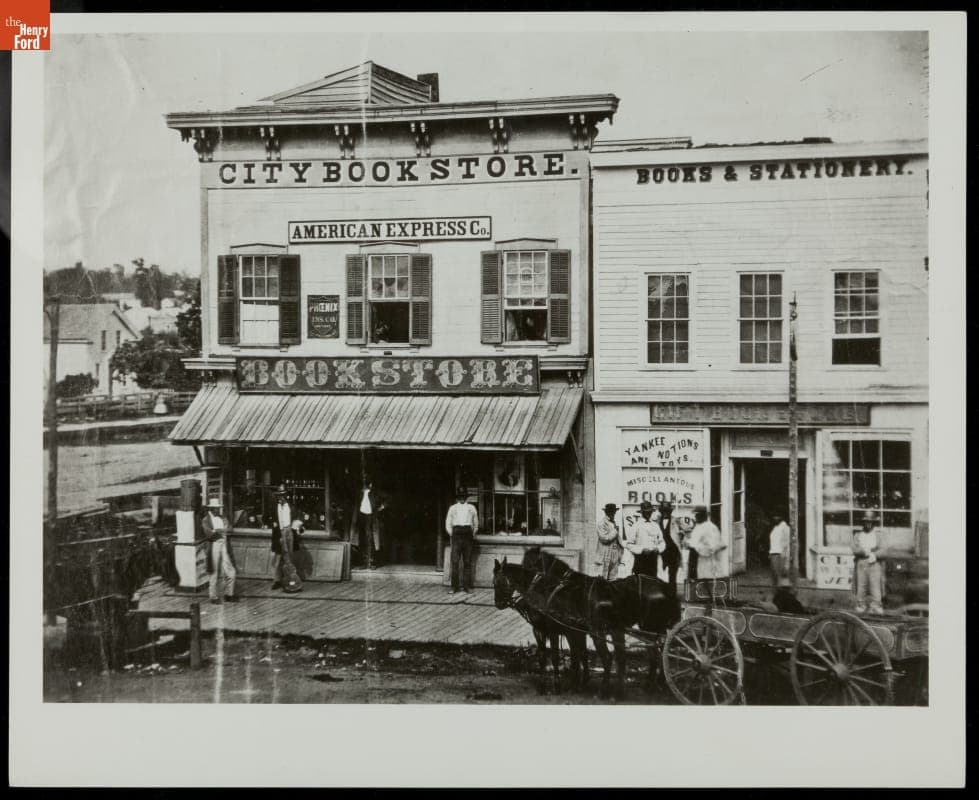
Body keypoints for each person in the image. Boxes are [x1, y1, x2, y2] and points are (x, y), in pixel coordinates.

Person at [202, 497, 238, 604]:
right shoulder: (206, 520)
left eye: (218, 508)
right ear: (211, 509)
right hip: (213, 545)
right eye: (215, 508)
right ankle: (213, 596)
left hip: (224, 544)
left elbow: (230, 529)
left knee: (231, 570)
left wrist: (219, 530)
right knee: (214, 571)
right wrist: (221, 531)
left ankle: (229, 594)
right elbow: (209, 534)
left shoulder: (223, 518)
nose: (217, 510)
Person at [445, 487, 478, 594]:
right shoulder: (452, 508)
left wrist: (472, 533)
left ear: (466, 497)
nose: (462, 498)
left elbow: (476, 523)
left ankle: (466, 586)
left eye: (463, 496)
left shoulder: (472, 508)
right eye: (460, 497)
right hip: (456, 534)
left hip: (468, 534)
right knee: (455, 562)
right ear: (457, 498)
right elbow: (448, 523)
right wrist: (452, 534)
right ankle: (454, 587)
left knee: (467, 562)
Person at [270, 487, 303, 592]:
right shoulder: (274, 506)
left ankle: (289, 578)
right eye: (279, 495)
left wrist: (297, 526)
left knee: (289, 555)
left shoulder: (290, 506)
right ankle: (277, 580)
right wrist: (273, 524)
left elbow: (297, 517)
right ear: (277, 496)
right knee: (278, 557)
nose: (281, 497)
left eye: (283, 495)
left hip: (289, 531)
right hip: (279, 532)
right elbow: (266, 517)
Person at [852, 510, 884, 615]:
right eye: (866, 521)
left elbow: (884, 550)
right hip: (861, 563)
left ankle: (876, 607)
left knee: (875, 588)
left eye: (870, 522)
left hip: (874, 564)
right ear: (863, 522)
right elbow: (854, 549)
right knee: (861, 587)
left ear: (874, 523)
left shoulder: (878, 536)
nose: (868, 524)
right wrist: (865, 552)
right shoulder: (858, 535)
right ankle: (860, 607)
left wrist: (875, 555)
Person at [684, 505, 727, 582]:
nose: (696, 517)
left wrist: (695, 546)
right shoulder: (698, 527)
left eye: (698, 515)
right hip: (694, 559)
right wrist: (687, 542)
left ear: (704, 515)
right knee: (694, 584)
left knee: (705, 584)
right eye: (695, 515)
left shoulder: (711, 527)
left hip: (705, 561)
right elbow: (694, 540)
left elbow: (713, 546)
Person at [349, 479, 384, 569]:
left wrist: (381, 507)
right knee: (361, 539)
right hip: (361, 517)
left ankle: (370, 562)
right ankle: (363, 562)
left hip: (370, 518)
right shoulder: (359, 494)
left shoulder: (374, 494)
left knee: (370, 539)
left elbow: (385, 500)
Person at [625, 500, 665, 577]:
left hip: (653, 560)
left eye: (649, 512)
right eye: (646, 512)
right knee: (640, 584)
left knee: (652, 582)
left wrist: (658, 549)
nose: (648, 514)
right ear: (642, 512)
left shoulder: (655, 526)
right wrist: (641, 550)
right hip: (640, 560)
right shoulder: (636, 525)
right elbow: (629, 544)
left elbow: (662, 542)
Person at [657, 500, 683, 596]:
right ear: (661, 511)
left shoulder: (676, 521)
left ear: (670, 511)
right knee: (660, 574)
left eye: (667, 511)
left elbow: (685, 531)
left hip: (673, 552)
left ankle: (672, 595)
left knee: (672, 575)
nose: (665, 513)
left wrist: (680, 536)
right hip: (661, 552)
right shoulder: (656, 521)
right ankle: (661, 595)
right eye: (663, 510)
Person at [594, 503, 623, 580]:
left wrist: (620, 552)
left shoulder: (613, 523)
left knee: (613, 580)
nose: (612, 513)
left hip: (614, 553)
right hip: (605, 553)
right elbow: (604, 539)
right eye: (610, 511)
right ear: (606, 512)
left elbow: (617, 540)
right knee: (602, 579)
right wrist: (615, 531)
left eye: (613, 511)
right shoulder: (601, 523)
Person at [768, 512, 790, 588]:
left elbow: (787, 543)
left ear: (781, 517)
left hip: (780, 554)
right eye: (774, 516)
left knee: (779, 575)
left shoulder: (785, 528)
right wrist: (770, 554)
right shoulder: (776, 527)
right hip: (773, 553)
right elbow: (773, 541)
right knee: (774, 575)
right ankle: (777, 592)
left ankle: (781, 592)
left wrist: (785, 557)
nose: (775, 518)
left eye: (777, 516)